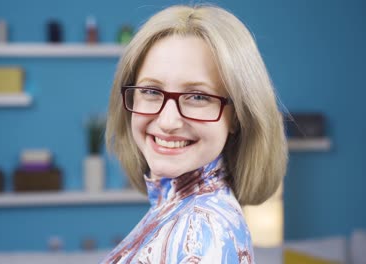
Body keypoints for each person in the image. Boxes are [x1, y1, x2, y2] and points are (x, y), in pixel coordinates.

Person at [102, 4, 287, 264]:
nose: (168, 122)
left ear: (237, 115)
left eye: (197, 96)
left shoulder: (201, 234)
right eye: (151, 91)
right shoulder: (176, 209)